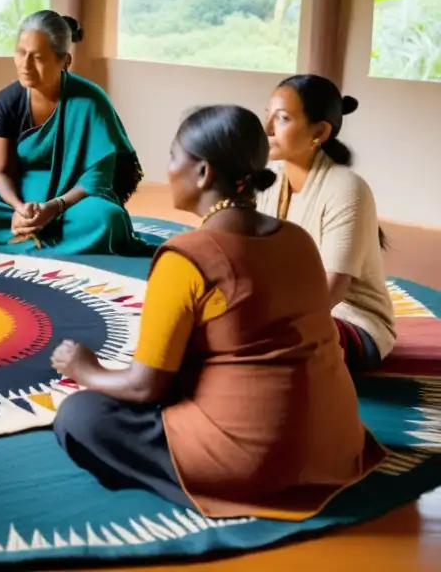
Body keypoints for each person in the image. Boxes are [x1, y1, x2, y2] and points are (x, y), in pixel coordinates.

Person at [50, 104, 385, 520]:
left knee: (80, 417)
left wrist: (83, 368)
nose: (168, 168)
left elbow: (144, 388)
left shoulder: (187, 258)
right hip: (335, 446)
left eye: (174, 157)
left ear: (204, 173)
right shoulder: (298, 240)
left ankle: (214, 488)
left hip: (253, 463)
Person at [0, 10, 149, 256]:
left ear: (64, 60)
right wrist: (18, 209)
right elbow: (3, 171)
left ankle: (26, 237)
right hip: (21, 194)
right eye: (21, 53)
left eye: (38, 58)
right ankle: (35, 233)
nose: (25, 65)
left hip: (73, 200)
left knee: (109, 220)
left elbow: (96, 179)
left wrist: (54, 207)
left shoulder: (91, 101)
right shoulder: (6, 102)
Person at [258, 74, 395, 371]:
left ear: (319, 131)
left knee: (255, 341)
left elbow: (328, 295)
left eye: (281, 119)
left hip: (347, 322)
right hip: (282, 312)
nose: (266, 129)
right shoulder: (269, 180)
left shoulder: (347, 189)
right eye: (267, 116)